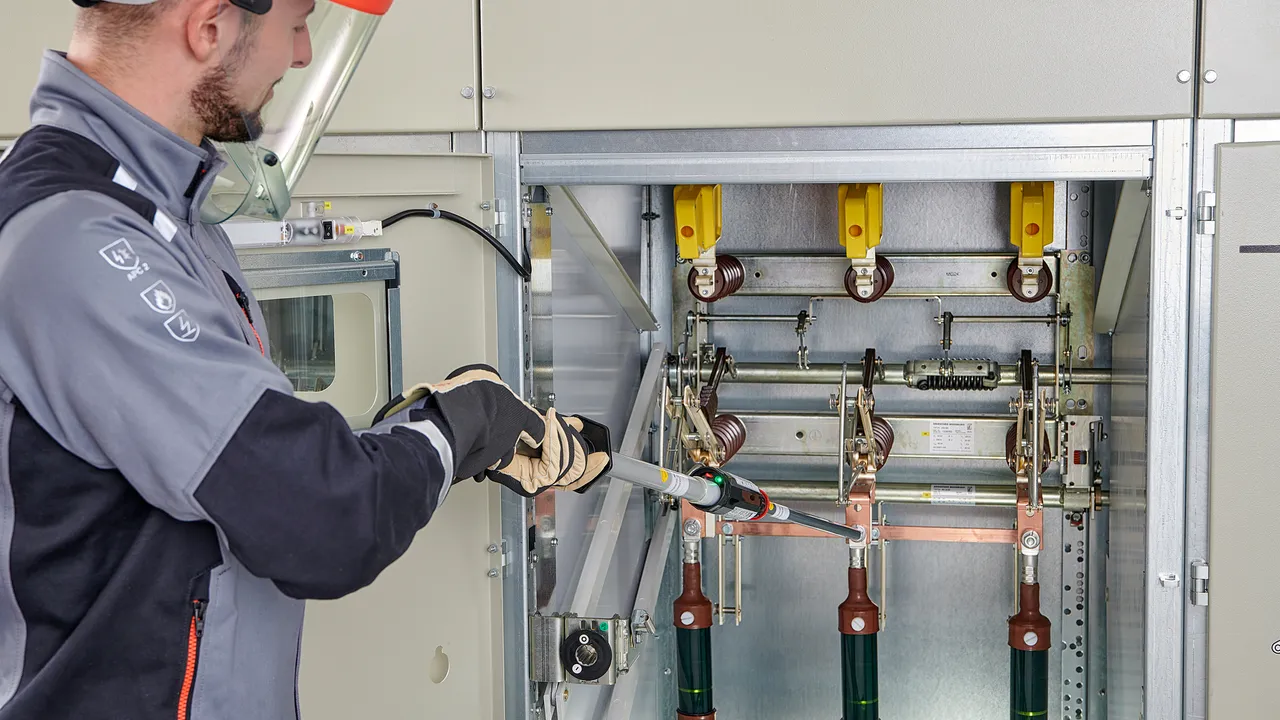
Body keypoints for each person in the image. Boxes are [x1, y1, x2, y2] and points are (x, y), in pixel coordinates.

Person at [0, 1, 610, 718]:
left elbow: (248, 461)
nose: (301, 55)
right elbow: (319, 515)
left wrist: (433, 433)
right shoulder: (78, 239)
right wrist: (465, 422)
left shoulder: (173, 217)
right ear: (209, 26)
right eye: (298, 22)